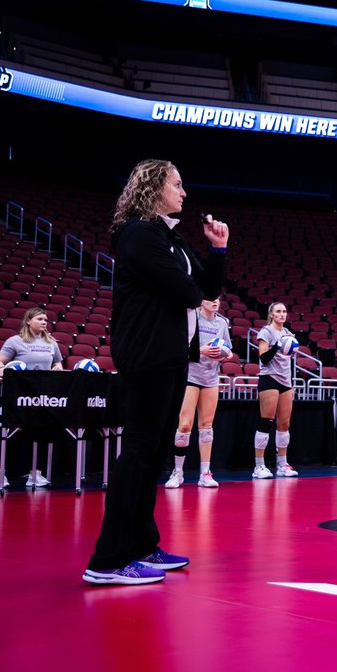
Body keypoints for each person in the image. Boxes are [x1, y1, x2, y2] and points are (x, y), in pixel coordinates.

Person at [84, 159, 228, 586]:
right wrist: (196, 290)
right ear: (153, 187)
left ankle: (142, 544)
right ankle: (107, 560)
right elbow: (187, 292)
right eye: (177, 185)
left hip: (171, 357)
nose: (184, 193)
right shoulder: (137, 234)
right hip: (146, 355)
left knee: (153, 456)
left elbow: (208, 289)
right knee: (138, 454)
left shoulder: (171, 238)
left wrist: (218, 250)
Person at [165, 296, 234, 489]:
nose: (215, 302)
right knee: (185, 425)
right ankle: (178, 472)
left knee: (206, 426)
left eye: (218, 299)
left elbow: (229, 349)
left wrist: (226, 354)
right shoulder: (191, 317)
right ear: (201, 301)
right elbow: (177, 346)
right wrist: (200, 350)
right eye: (211, 299)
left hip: (211, 378)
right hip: (190, 376)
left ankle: (205, 473)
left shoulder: (222, 322)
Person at [0, 306, 64, 488]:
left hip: (43, 395)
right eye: (40, 319)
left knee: (39, 432)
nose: (44, 322)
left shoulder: (51, 342)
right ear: (28, 321)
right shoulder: (15, 341)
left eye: (45, 320)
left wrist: (57, 367)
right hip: (20, 394)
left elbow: (58, 363)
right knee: (13, 433)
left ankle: (35, 473)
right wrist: (2, 369)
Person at [254, 302, 298, 479]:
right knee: (266, 421)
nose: (282, 314)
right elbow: (264, 358)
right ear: (271, 314)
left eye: (284, 311)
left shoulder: (287, 333)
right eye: (278, 311)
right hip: (269, 378)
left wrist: (289, 344)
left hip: (285, 380)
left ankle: (282, 464)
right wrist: (278, 345)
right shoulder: (266, 331)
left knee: (284, 424)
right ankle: (259, 465)